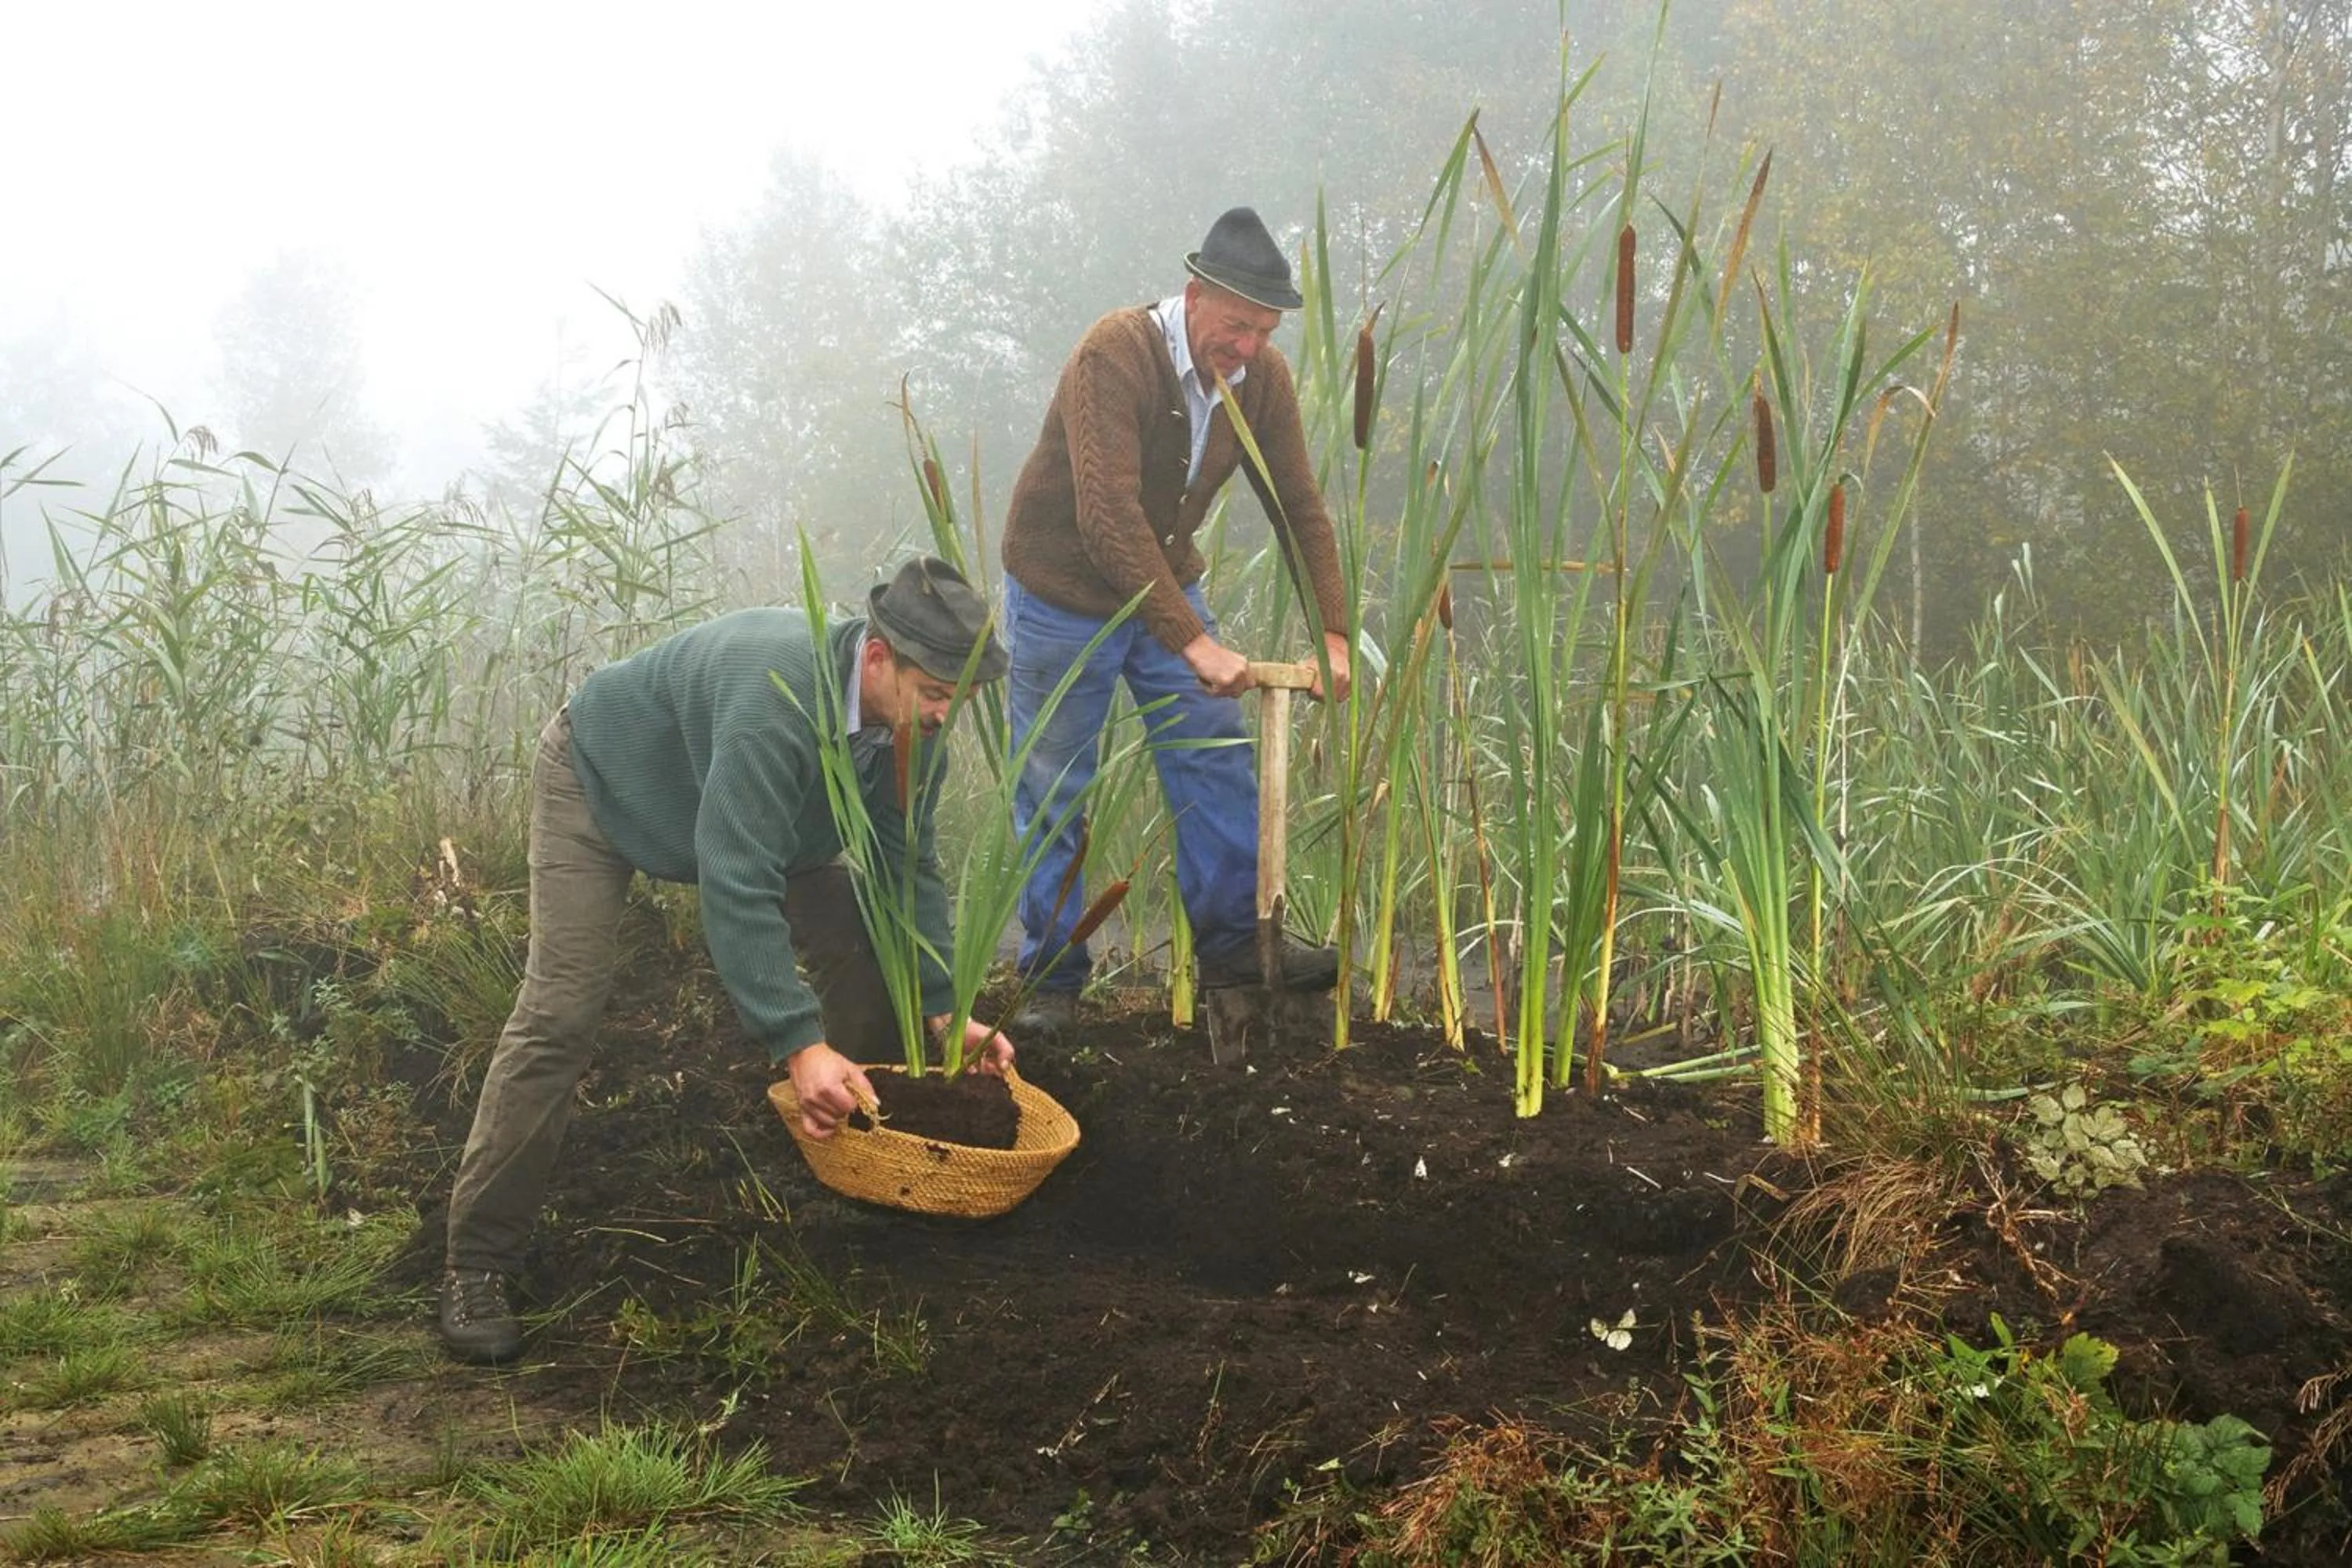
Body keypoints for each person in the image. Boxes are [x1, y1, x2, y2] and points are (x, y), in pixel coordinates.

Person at [439, 556, 1015, 1364]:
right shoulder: (776, 696)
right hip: (606, 786)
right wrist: (797, 1041)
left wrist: (943, 1001)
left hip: (773, 820)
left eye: (963, 699)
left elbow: (906, 862)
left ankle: (869, 1160)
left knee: (861, 948)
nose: (946, 713)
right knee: (561, 1012)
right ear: (879, 659)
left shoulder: (915, 728)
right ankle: (478, 1261)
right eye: (934, 692)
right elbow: (736, 877)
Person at [999, 205, 1354, 1043]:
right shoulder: (1113, 355)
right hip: (1061, 591)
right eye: (1236, 326)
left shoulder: (1261, 380)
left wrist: (1333, 632)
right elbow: (1107, 517)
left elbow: (1299, 505)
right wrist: (1190, 639)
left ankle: (1235, 948)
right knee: (1056, 784)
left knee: (1215, 757)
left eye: (1265, 331)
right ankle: (1051, 975)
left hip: (1164, 588)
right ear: (1194, 295)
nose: (1249, 347)